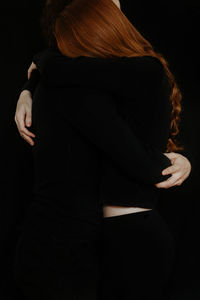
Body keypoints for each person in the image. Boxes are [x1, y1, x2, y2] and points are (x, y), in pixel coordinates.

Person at [14, 0, 191, 299]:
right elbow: (65, 71)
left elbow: (61, 68)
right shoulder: (98, 85)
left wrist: (37, 69)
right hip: (100, 237)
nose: (118, 9)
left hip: (132, 234)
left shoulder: (141, 70)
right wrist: (29, 86)